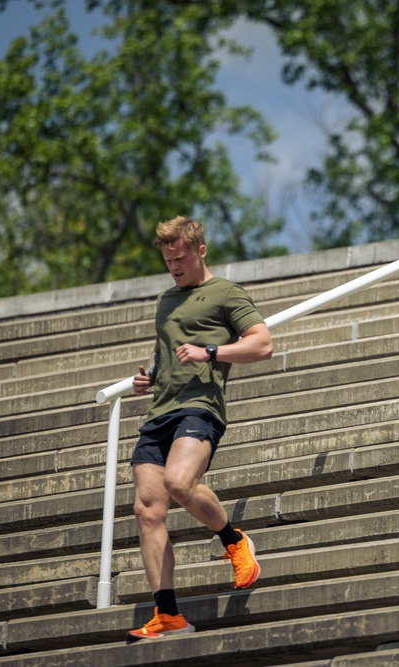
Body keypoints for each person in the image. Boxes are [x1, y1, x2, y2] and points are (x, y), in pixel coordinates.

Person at [127, 216, 273, 641]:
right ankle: (168, 614)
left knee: (179, 482)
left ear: (200, 250)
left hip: (200, 406)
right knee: (146, 510)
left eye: (180, 258)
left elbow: (262, 344)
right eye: (167, 259)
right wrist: (149, 375)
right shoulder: (166, 299)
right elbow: (164, 351)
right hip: (160, 411)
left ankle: (233, 540)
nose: (173, 266)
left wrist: (211, 350)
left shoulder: (225, 292)